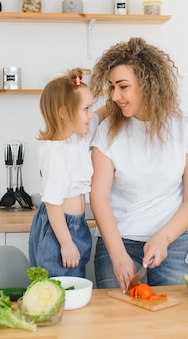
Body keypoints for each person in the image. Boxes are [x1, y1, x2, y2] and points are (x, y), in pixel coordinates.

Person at [89, 37, 188, 292]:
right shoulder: (107, 131)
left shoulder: (187, 128)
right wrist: (118, 256)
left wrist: (163, 238)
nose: (114, 96)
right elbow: (98, 198)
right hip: (118, 242)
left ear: (148, 84)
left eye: (123, 87)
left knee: (176, 326)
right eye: (111, 87)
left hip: (175, 241)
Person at [28, 68, 107, 278]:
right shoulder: (57, 152)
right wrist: (66, 242)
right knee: (61, 288)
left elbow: (99, 115)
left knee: (73, 282)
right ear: (64, 113)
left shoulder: (78, 136)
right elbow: (53, 203)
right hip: (59, 228)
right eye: (86, 109)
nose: (90, 115)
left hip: (75, 225)